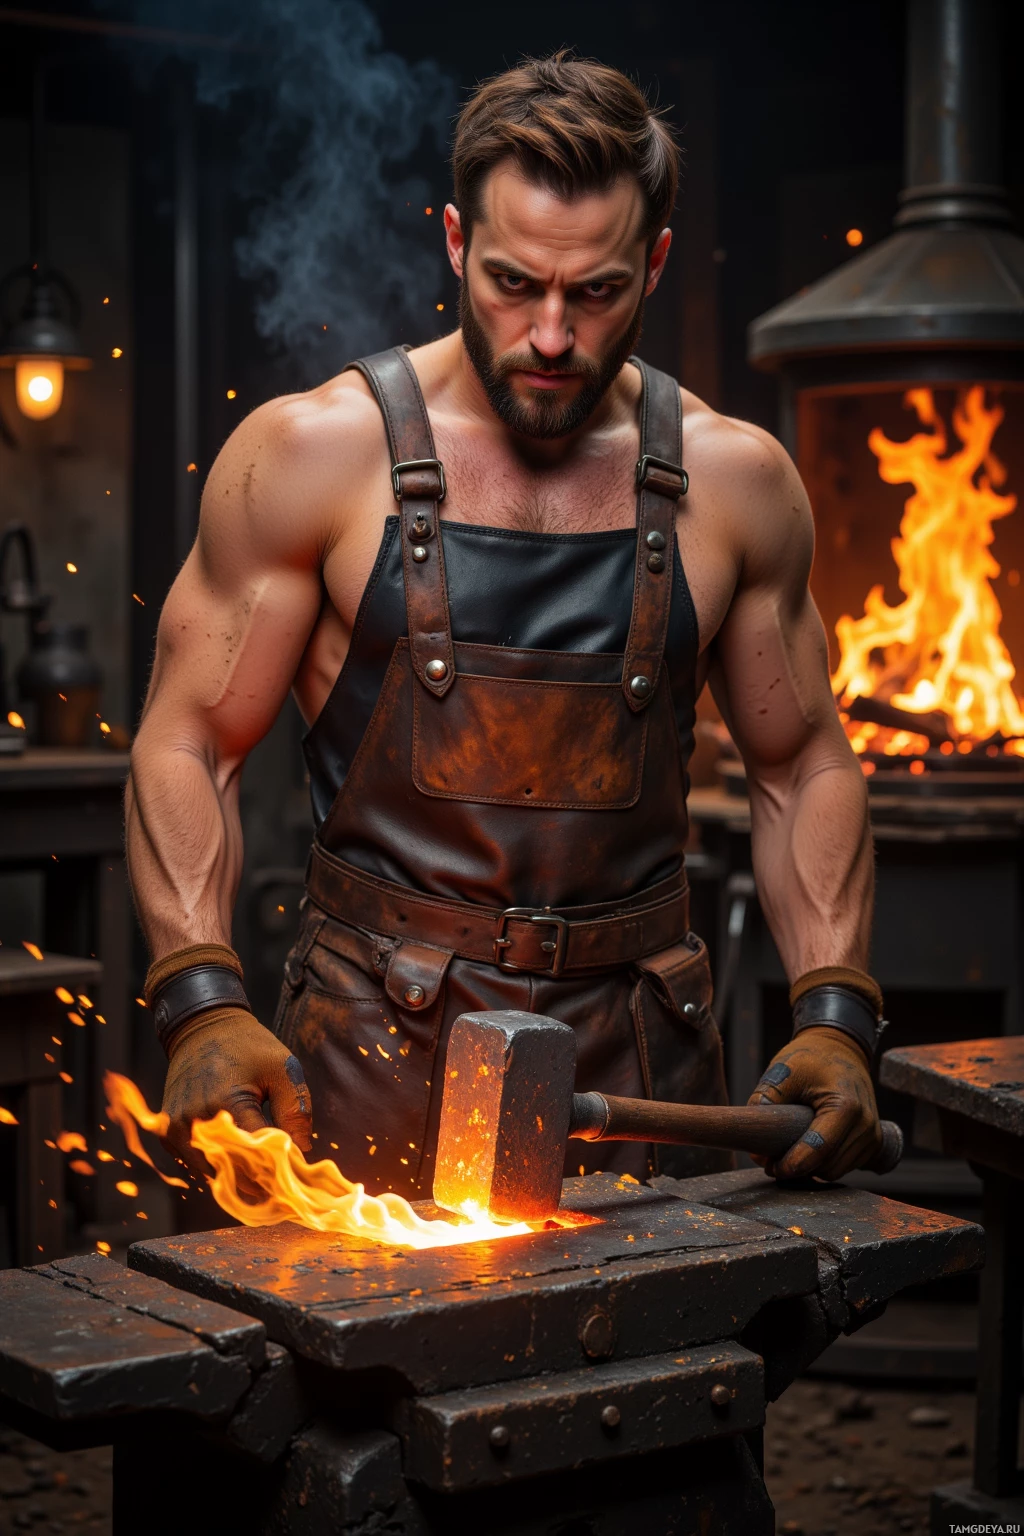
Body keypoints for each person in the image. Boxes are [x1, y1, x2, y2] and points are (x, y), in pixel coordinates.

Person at [127, 52, 885, 1199]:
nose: (547, 335)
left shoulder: (737, 483)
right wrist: (202, 1000)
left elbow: (801, 765)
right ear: (452, 245)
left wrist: (834, 1010)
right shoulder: (313, 456)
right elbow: (188, 741)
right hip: (372, 1062)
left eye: (596, 294)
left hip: (638, 1076)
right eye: (511, 283)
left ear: (656, 264)